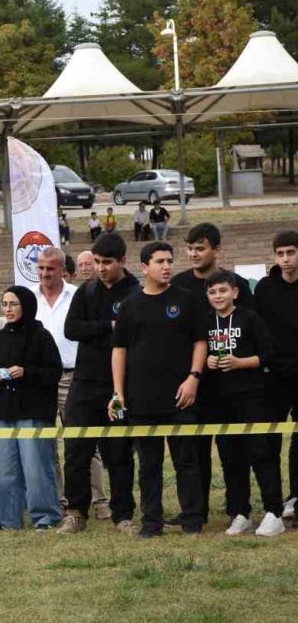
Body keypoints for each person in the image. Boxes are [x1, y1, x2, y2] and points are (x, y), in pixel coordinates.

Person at [111, 241, 207, 538]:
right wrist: (118, 393)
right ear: (144, 267)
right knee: (148, 465)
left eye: (169, 260)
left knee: (187, 463)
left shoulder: (187, 300)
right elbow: (119, 350)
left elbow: (200, 342)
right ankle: (151, 522)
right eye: (160, 261)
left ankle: (192, 520)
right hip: (141, 400)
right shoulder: (130, 305)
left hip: (181, 397)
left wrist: (194, 377)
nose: (167, 266)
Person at [171, 222, 255, 525]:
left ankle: (238, 508)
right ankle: (195, 510)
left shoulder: (239, 285)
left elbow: (249, 329)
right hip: (194, 382)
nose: (194, 254)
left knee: (233, 448)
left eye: (200, 248)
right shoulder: (179, 284)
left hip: (233, 384)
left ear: (216, 249)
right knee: (194, 450)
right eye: (190, 248)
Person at [59, 233, 140, 535]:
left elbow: (132, 334)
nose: (101, 268)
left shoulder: (134, 293)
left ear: (122, 261)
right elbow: (71, 329)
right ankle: (75, 512)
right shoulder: (86, 291)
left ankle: (123, 514)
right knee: (76, 449)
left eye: (107, 262)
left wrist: (102, 332)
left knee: (118, 451)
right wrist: (107, 327)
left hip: (117, 384)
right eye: (97, 262)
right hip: (84, 381)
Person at [200, 269, 284, 536]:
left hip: (252, 395)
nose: (218, 296)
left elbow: (268, 355)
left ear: (235, 292)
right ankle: (240, 512)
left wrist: (240, 363)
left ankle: (274, 512)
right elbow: (196, 354)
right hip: (220, 399)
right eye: (212, 292)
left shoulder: (250, 318)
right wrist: (207, 362)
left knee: (261, 452)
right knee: (230, 457)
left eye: (223, 290)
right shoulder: (204, 322)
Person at [35, 248, 109, 520]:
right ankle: (62, 500)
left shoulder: (80, 295)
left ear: (62, 269)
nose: (44, 273)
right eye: (41, 268)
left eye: (50, 269)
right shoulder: (30, 298)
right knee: (48, 445)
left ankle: (100, 501)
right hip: (42, 380)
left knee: (85, 443)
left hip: (75, 376)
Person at [0, 286, 63, 529]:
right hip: (5, 412)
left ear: (26, 306)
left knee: (37, 467)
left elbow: (54, 372)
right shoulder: (0, 337)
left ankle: (45, 517)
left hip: (34, 411)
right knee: (4, 468)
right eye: (4, 304)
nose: (7, 309)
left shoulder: (42, 336)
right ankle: (8, 520)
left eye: (13, 304)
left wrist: (26, 372)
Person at [252, 230, 298, 521]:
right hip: (274, 377)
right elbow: (260, 332)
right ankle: (272, 503)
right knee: (267, 441)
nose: (285, 259)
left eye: (291, 253)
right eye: (280, 254)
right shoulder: (265, 289)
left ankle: (295, 496)